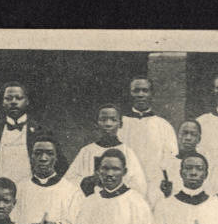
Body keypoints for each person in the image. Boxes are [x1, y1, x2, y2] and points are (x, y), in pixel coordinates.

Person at [0, 81, 67, 185]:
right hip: (0, 192)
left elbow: (61, 165)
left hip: (31, 191)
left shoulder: (42, 131)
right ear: (3, 102)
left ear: (27, 101)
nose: (13, 102)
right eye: (8, 98)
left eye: (19, 98)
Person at [65, 104, 147, 199]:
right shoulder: (86, 151)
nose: (108, 124)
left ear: (120, 124)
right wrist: (89, 181)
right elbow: (69, 182)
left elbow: (139, 186)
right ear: (97, 123)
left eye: (113, 120)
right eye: (103, 120)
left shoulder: (127, 152)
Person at [120, 76, 178, 205]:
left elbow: (171, 161)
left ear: (151, 94)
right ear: (130, 93)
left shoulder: (163, 125)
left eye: (145, 91)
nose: (141, 94)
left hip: (155, 188)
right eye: (136, 90)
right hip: (127, 185)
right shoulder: (121, 124)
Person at [149, 119, 204, 209]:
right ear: (178, 136)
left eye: (193, 134)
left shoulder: (204, 165)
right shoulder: (165, 164)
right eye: (184, 133)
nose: (188, 138)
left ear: (199, 139)